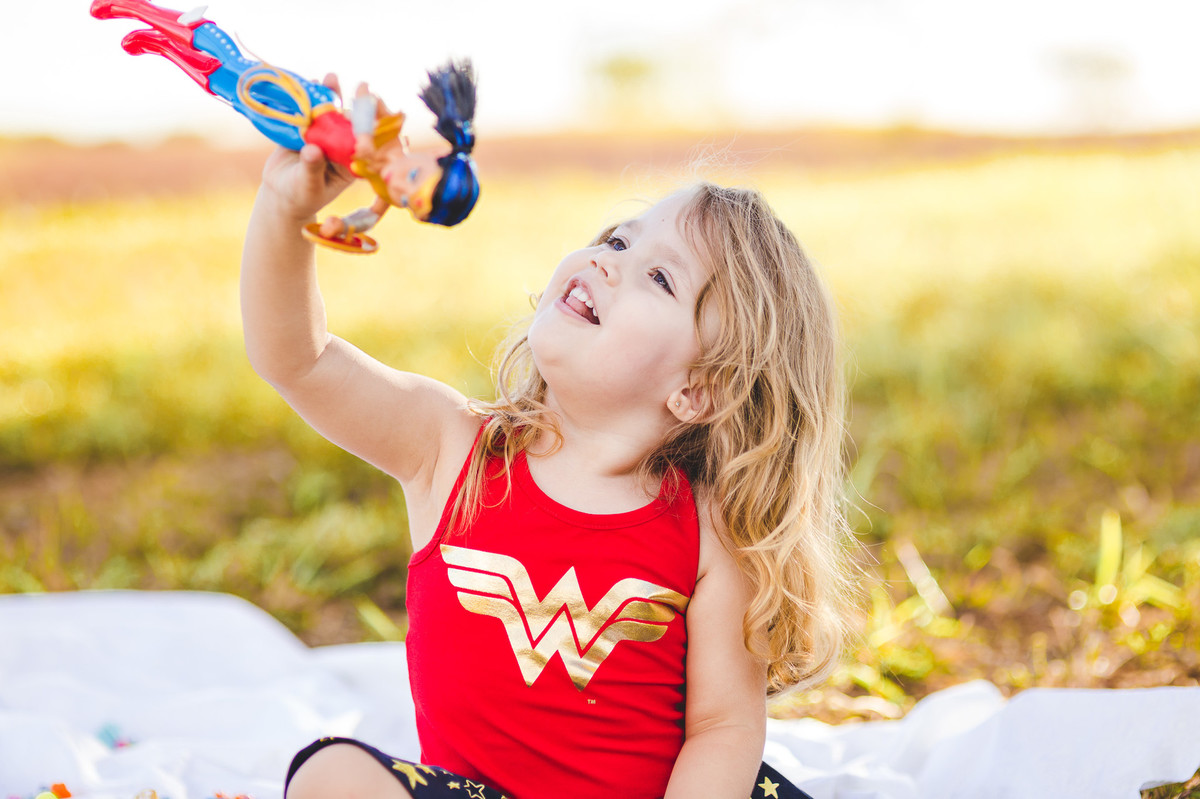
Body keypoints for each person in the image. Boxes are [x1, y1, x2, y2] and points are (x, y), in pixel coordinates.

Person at [242, 102, 856, 797]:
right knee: (332, 772)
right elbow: (298, 359)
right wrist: (283, 212)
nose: (607, 262)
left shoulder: (709, 530)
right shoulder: (450, 447)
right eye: (618, 241)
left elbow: (723, 729)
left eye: (660, 277)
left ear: (698, 390)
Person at [89, 0, 480, 252]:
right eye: (414, 178)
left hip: (296, 135)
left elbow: (370, 215)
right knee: (241, 69)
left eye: (409, 202)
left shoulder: (382, 185)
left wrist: (342, 227)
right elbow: (364, 93)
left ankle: (160, 45)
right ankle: (141, 9)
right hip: (312, 103)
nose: (400, 189)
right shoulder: (389, 136)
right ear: (436, 155)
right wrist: (363, 133)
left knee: (231, 93)